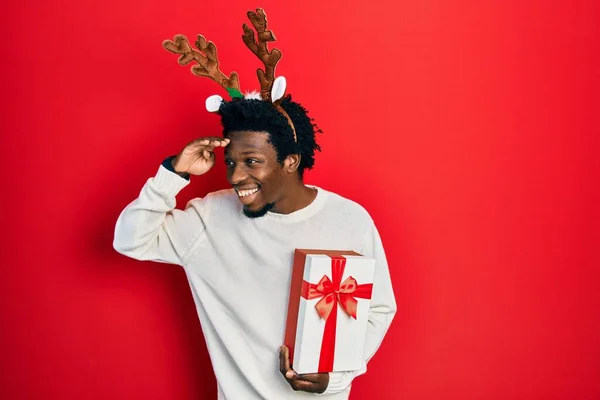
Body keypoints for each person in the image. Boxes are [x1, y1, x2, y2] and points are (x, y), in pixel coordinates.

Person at [113, 9, 396, 399]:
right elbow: (130, 240)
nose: (235, 176)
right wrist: (174, 173)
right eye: (231, 162)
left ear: (291, 161)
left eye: (252, 162)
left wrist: (338, 377)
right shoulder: (210, 219)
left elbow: (379, 310)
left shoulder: (350, 220)